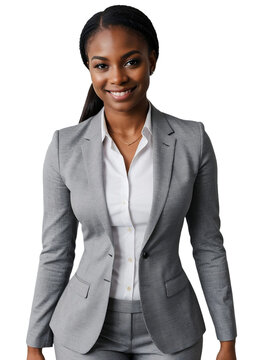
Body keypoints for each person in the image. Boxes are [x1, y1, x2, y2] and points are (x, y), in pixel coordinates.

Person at [26, 5, 237, 360]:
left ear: (152, 60)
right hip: (85, 330)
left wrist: (227, 338)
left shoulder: (192, 140)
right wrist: (34, 342)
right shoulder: (65, 147)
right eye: (102, 65)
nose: (117, 78)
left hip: (171, 329)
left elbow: (208, 245)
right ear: (90, 70)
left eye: (131, 61)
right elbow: (56, 251)